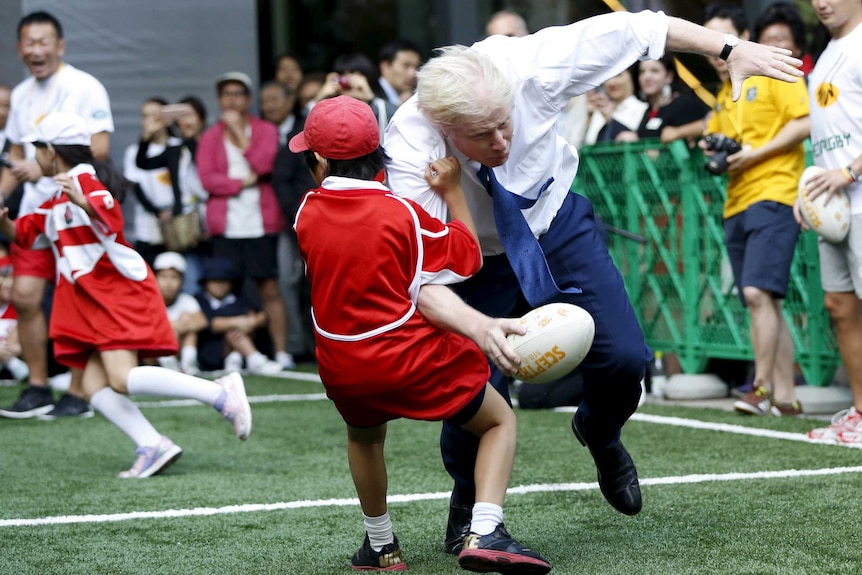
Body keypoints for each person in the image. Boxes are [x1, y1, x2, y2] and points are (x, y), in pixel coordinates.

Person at [383, 9, 804, 554]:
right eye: (482, 135)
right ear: (443, 127)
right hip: (470, 257)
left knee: (626, 358)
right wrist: (478, 326)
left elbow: (640, 28)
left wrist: (727, 51)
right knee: (474, 389)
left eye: (506, 123)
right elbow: (421, 277)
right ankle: (469, 506)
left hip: (554, 222)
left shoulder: (533, 65)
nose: (502, 140)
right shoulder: (411, 144)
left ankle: (601, 432)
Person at [291, 95, 550, 574]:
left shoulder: (306, 212)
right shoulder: (403, 213)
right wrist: (452, 192)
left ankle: (382, 546)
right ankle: (486, 529)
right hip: (407, 358)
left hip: (342, 363)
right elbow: (467, 257)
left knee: (365, 439)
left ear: (320, 162)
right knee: (498, 422)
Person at [0, 111, 252, 477]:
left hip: (115, 291)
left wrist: (84, 201)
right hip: (95, 297)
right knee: (93, 386)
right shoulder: (58, 196)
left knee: (120, 378)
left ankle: (219, 393)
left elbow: (109, 214)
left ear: (51, 150)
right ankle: (153, 445)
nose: (34, 156)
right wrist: (3, 222)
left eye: (37, 148)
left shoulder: (82, 181)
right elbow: (24, 232)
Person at [0, 11, 113, 419]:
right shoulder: (23, 93)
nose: (36, 50)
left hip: (76, 212)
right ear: (20, 49)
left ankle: (79, 393)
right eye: (28, 43)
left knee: (79, 299)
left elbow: (99, 147)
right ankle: (37, 386)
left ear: (60, 46)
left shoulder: (86, 86)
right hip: (35, 212)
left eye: (43, 41)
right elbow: (14, 154)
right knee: (24, 296)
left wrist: (46, 165)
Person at [699, 3, 809, 417]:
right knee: (764, 302)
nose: (715, 48)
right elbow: (720, 145)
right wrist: (713, 147)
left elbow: (804, 121)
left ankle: (760, 387)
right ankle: (786, 395)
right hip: (737, 200)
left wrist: (756, 154)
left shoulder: (774, 71)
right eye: (708, 40)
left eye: (722, 38)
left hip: (775, 192)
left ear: (743, 36)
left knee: (756, 292)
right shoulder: (724, 94)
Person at [795, 0, 862, 443]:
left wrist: (851, 171)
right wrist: (809, 195)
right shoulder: (824, 55)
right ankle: (860, 414)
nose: (822, 2)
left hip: (858, 194)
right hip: (834, 209)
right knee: (840, 308)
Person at [196, 71, 294, 370]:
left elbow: (264, 165)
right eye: (226, 95)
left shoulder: (264, 130)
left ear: (249, 99)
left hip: (260, 222)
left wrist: (239, 134)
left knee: (269, 289)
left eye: (238, 94)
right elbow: (208, 180)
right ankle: (235, 353)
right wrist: (242, 183)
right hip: (226, 225)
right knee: (228, 291)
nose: (232, 100)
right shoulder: (211, 136)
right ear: (219, 99)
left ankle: (280, 352)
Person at [136, 95, 210, 292]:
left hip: (207, 219)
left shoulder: (208, 142)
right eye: (182, 116)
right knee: (180, 273)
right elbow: (143, 164)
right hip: (180, 222)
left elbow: (203, 168)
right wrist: (146, 137)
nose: (186, 121)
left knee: (203, 275)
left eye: (190, 115)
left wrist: (191, 139)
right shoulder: (175, 149)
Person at [194, 257, 283, 375]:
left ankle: (235, 358)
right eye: (215, 280)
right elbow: (206, 323)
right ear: (206, 283)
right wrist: (236, 322)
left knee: (237, 330)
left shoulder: (239, 299)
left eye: (224, 281)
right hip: (209, 349)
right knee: (233, 330)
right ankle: (254, 358)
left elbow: (262, 315)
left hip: (237, 346)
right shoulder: (198, 301)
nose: (220, 285)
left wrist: (252, 321)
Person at [615, 54, 710, 143]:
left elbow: (710, 123)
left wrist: (678, 132)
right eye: (642, 72)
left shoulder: (685, 103)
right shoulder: (648, 111)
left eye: (655, 71)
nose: (647, 77)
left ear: (669, 76)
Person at [153, 251, 206, 374]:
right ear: (154, 278)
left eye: (174, 277)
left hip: (177, 349)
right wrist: (171, 327)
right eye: (163, 277)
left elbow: (202, 321)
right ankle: (168, 365)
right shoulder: (148, 301)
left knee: (190, 329)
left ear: (182, 281)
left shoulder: (186, 300)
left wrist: (180, 325)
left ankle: (188, 365)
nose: (168, 283)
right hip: (151, 356)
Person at [583, 67, 648, 144]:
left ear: (631, 76)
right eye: (608, 76)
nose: (612, 82)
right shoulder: (598, 111)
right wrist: (588, 117)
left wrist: (610, 120)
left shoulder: (643, 109)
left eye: (618, 75)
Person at [754, 2, 815, 76]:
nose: (772, 46)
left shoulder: (813, 78)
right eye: (766, 40)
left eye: (780, 39)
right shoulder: (750, 80)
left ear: (798, 47)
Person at [0, 249, 30, 384]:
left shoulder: (20, 306)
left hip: (12, 360)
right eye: (5, 277)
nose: (10, 283)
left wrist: (18, 349)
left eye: (14, 277)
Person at [377, 39, 422, 106]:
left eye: (416, 67)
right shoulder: (370, 95)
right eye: (406, 66)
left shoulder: (412, 99)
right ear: (385, 67)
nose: (412, 74)